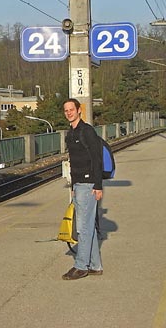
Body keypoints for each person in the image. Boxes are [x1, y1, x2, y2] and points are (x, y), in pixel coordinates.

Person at [61, 98, 103, 280]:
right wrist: (73, 186)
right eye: (66, 110)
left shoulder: (87, 131)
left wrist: (98, 185)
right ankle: (95, 265)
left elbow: (97, 158)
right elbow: (74, 162)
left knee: (83, 228)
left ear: (79, 110)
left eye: (72, 109)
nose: (69, 112)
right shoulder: (70, 134)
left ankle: (81, 266)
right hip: (78, 185)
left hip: (89, 185)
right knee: (88, 228)